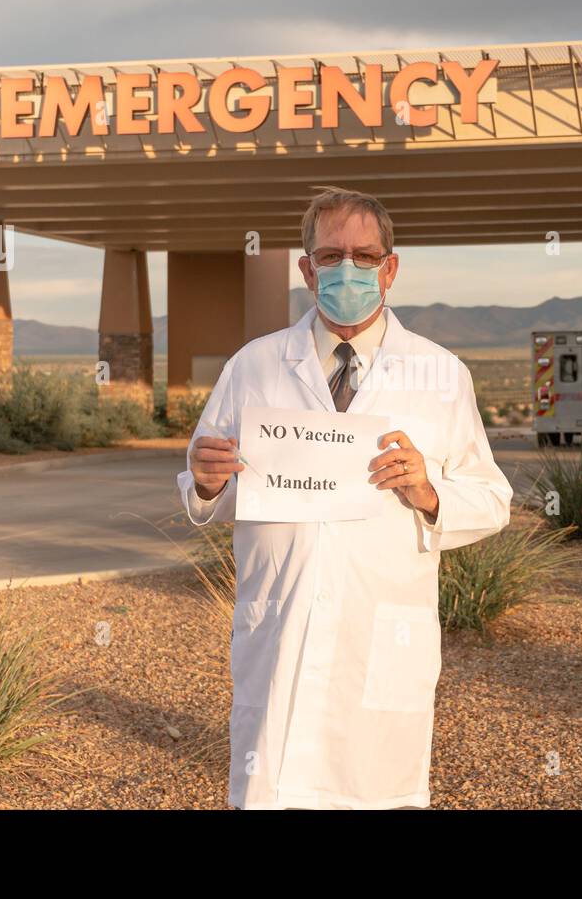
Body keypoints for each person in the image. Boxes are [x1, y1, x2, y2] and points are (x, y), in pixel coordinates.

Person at [178, 185, 513, 809]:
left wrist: (428, 491)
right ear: (306, 269)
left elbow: (493, 498)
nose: (347, 269)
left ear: (390, 268)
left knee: (373, 792)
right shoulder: (253, 366)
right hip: (279, 629)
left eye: (364, 256)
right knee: (272, 788)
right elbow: (206, 490)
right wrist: (205, 479)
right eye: (331, 256)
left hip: (381, 638)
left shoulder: (440, 373)